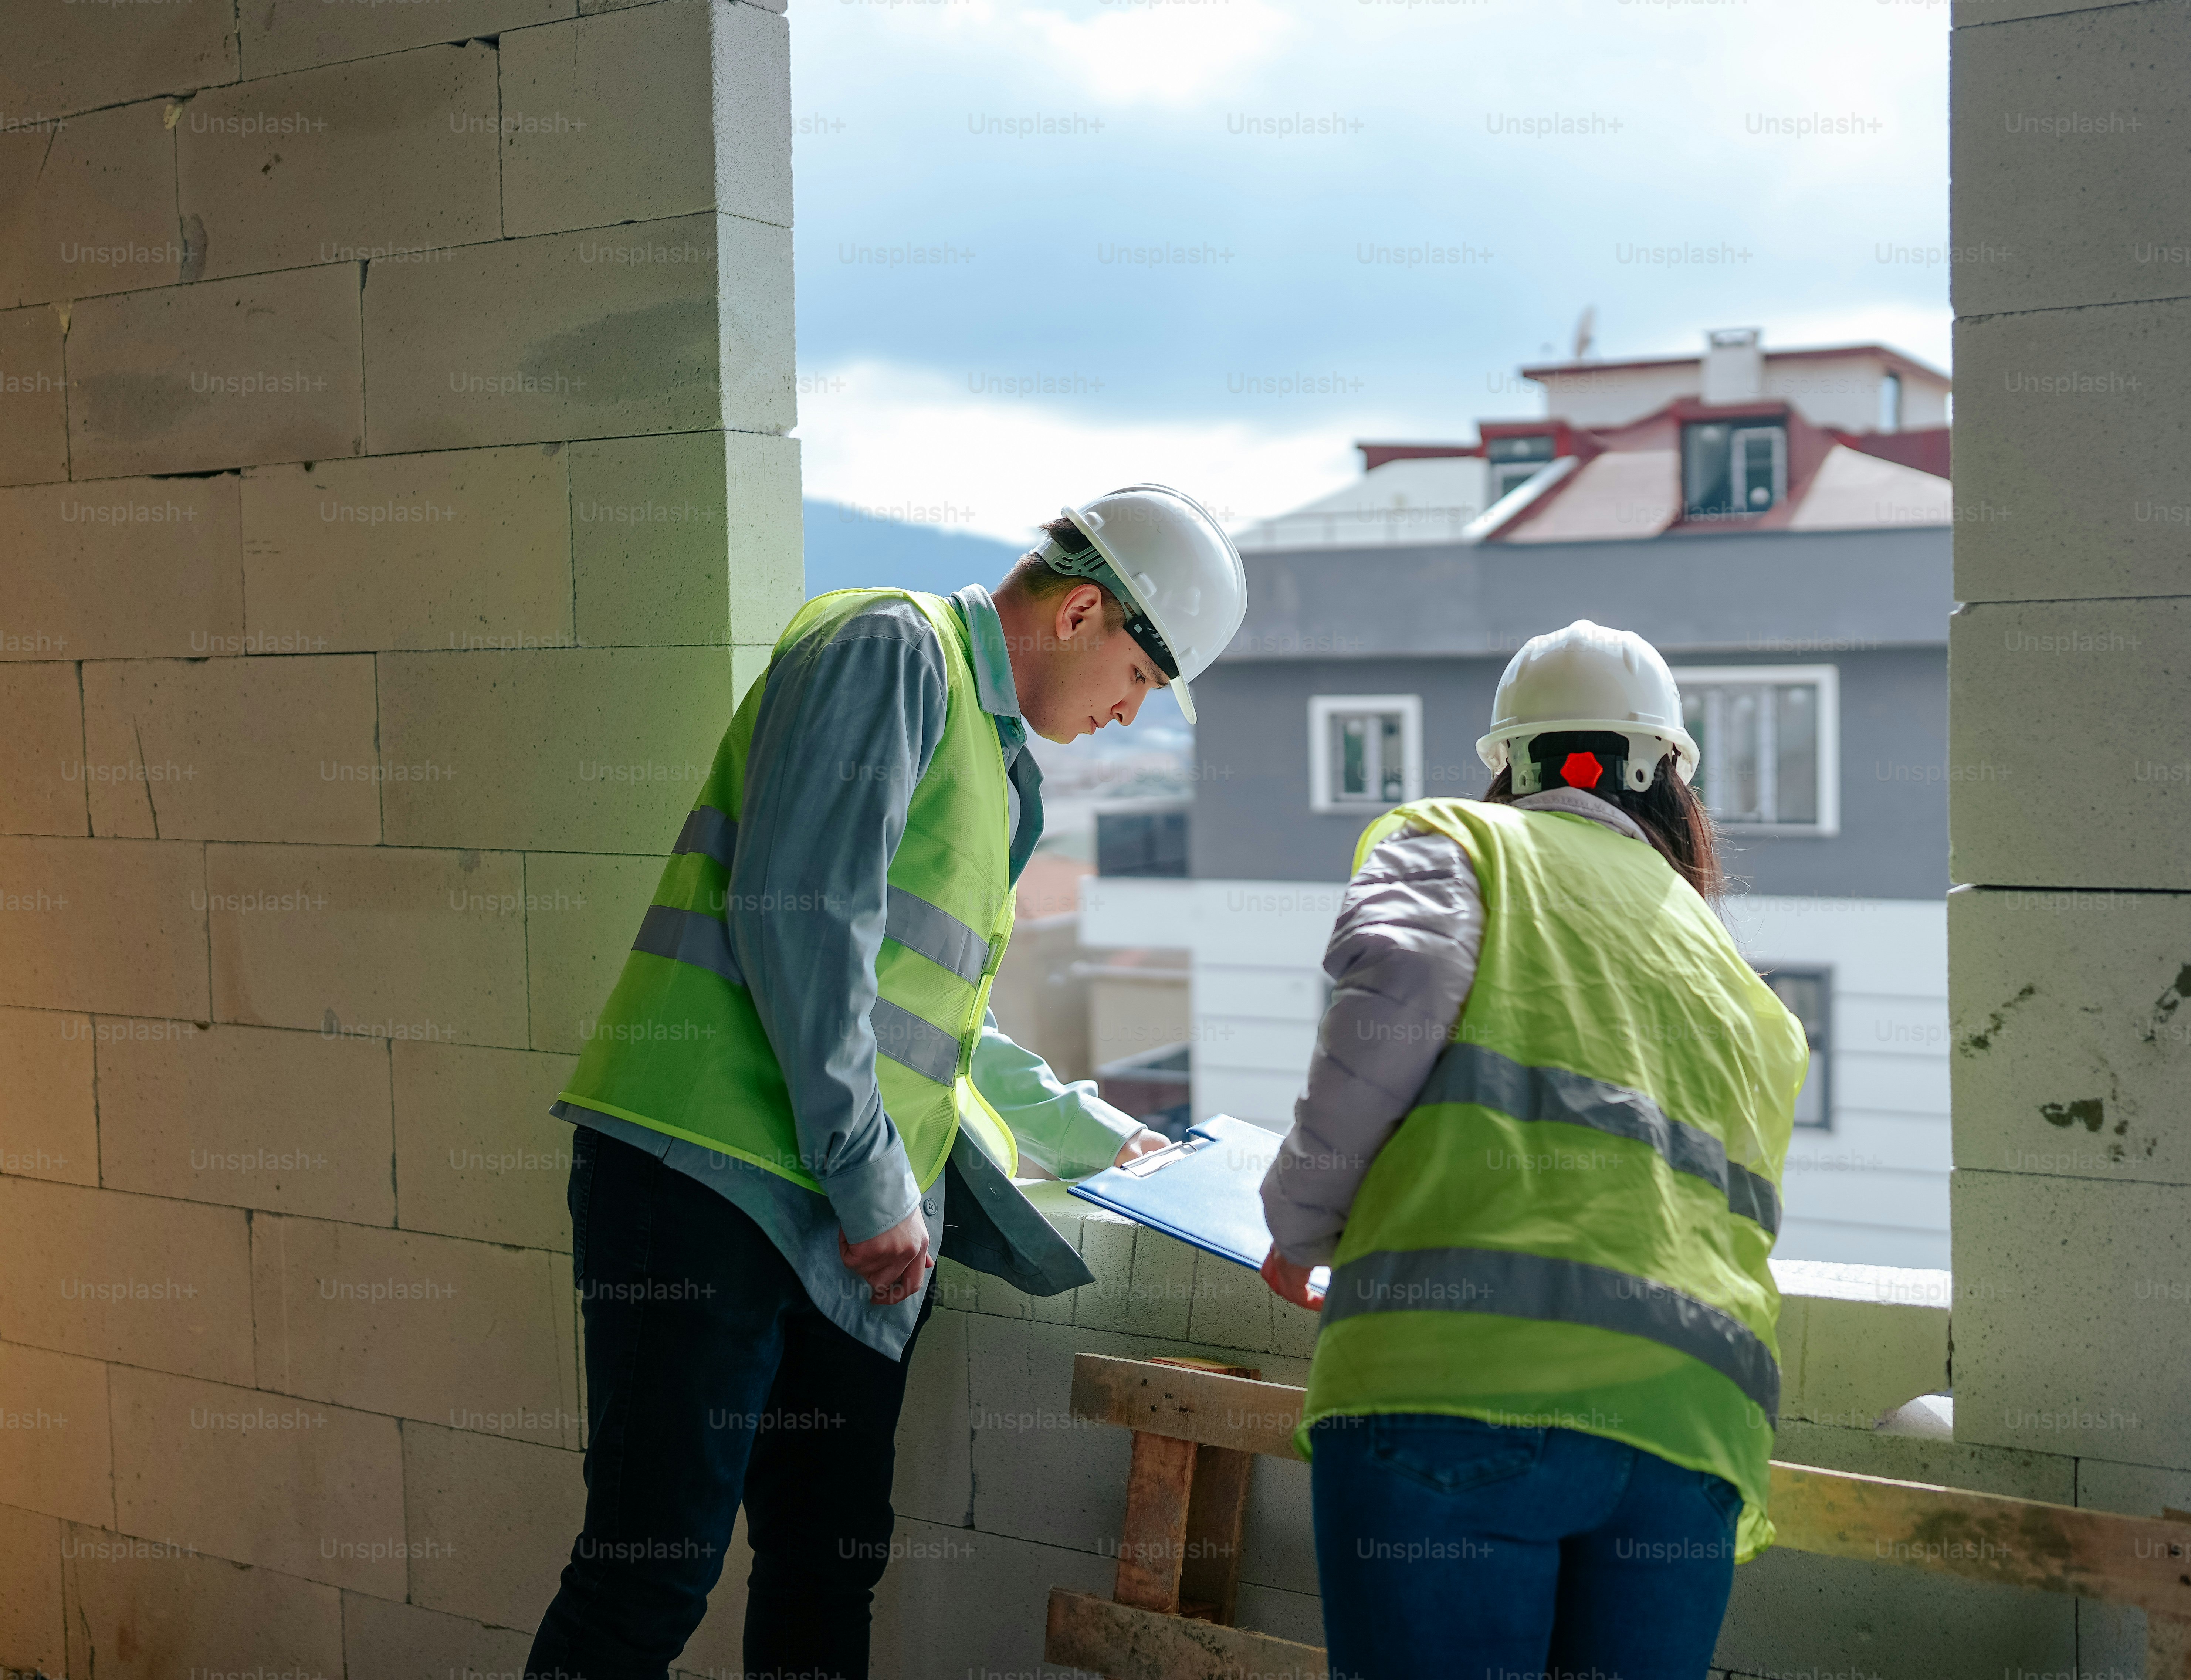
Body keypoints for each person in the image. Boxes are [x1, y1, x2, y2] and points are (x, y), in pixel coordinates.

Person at [525, 485, 1249, 1680]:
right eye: (1142, 682)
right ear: (1081, 611)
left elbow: (928, 1017)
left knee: (829, 1563)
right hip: (709, 1180)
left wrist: (1090, 1136)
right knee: (648, 1574)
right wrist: (877, 1193)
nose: (1131, 716)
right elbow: (801, 926)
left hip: (846, 1219)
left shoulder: (996, 756)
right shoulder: (890, 649)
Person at [1257, 620, 1809, 1680]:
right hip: (1686, 1440)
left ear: (1509, 763)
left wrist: (1301, 1224)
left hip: (1460, 1388)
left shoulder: (1461, 842)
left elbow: (1379, 1032)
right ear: (1672, 784)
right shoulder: (1746, 991)